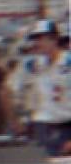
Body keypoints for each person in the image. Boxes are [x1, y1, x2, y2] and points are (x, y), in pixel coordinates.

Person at [24, 20, 71, 155]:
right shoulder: (33, 64)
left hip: (66, 124)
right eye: (34, 39)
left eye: (40, 38)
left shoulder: (68, 62)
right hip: (42, 126)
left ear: (54, 39)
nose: (36, 43)